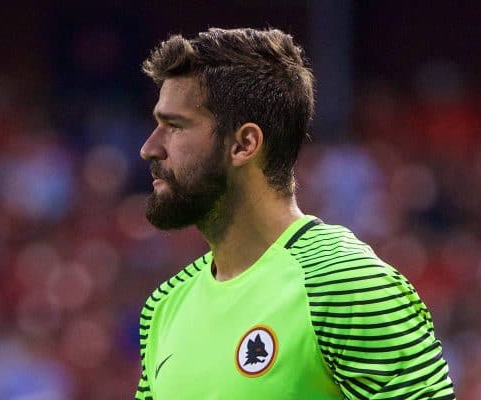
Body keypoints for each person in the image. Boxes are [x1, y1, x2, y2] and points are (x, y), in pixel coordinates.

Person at [134, 28, 455, 399]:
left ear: (244, 144)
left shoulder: (346, 286)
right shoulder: (164, 306)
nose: (149, 148)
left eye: (174, 126)